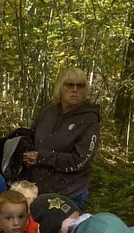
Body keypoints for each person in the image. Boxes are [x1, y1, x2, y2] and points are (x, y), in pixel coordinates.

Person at [22, 65, 100, 209]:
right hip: (37, 190)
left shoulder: (89, 120)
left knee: (60, 231)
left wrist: (42, 158)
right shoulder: (48, 112)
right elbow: (30, 140)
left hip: (69, 193)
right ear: (60, 87)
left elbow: (80, 160)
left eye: (80, 86)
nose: (75, 89)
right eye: (70, 85)